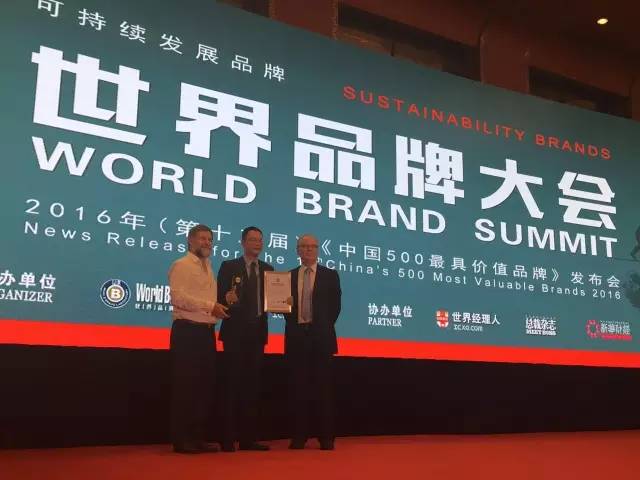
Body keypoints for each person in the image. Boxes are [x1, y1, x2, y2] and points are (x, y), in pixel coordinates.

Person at [168, 224, 229, 454]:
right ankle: (182, 440)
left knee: (203, 387)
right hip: (187, 331)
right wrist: (210, 306)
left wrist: (218, 306)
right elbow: (178, 298)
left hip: (206, 333)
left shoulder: (208, 267)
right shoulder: (181, 265)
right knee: (186, 386)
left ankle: (197, 437)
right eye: (202, 238)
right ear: (190, 240)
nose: (207, 243)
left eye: (210, 239)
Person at [217, 226, 274, 452]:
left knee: (252, 387)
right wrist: (226, 297)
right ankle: (227, 438)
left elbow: (274, 300)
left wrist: (284, 302)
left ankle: (248, 438)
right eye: (252, 240)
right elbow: (219, 295)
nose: (257, 243)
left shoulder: (269, 270)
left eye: (260, 240)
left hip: (257, 334)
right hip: (235, 333)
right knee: (231, 386)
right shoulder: (229, 266)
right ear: (242, 242)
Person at [284, 234, 342, 450]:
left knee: (323, 389)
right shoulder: (288, 276)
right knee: (298, 388)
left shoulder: (330, 275)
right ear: (297, 250)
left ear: (318, 250)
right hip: (297, 338)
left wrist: (319, 326)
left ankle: (326, 437)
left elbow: (335, 307)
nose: (308, 249)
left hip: (321, 338)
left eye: (312, 246)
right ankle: (299, 436)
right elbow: (283, 308)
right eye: (304, 246)